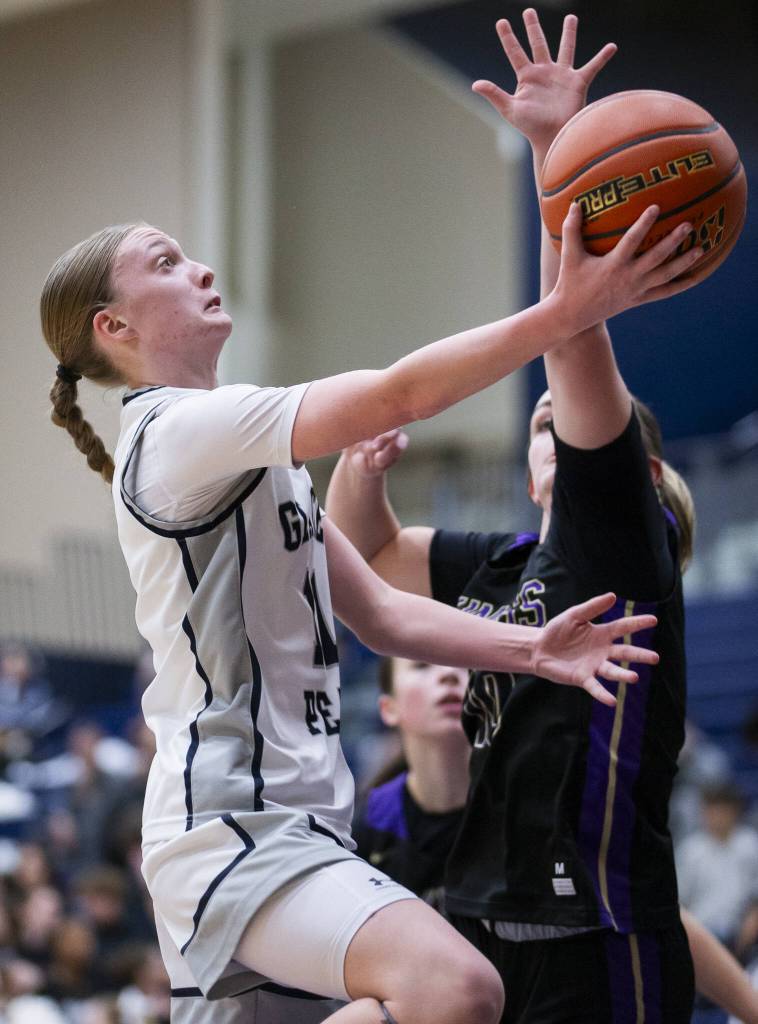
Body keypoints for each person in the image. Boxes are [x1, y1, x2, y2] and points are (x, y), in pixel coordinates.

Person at [39, 70, 699, 1020]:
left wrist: (535, 650)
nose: (202, 270)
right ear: (116, 328)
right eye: (168, 264)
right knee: (457, 987)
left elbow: (383, 613)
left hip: (295, 828)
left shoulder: (245, 454)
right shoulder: (174, 432)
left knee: (409, 1005)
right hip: (235, 830)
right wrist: (562, 312)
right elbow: (396, 395)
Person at [327, 10, 709, 1022]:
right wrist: (359, 464)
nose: (548, 424)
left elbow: (571, 347)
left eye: (562, 423)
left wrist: (556, 162)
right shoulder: (497, 565)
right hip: (486, 924)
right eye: (537, 423)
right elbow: (363, 557)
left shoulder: (617, 537)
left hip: (596, 936)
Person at [353, 658, 470, 910]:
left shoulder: (526, 808)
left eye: (466, 664)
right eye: (421, 665)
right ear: (388, 708)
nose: (449, 672)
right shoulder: (365, 829)